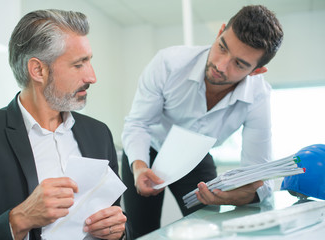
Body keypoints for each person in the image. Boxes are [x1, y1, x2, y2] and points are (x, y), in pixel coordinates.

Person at [0, 9, 130, 240]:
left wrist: (118, 231)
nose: (92, 77)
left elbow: (116, 215)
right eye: (78, 64)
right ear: (38, 70)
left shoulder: (99, 133)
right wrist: (20, 218)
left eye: (89, 61)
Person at [121, 5, 284, 238]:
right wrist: (138, 167)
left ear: (256, 71)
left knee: (209, 228)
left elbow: (256, 174)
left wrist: (233, 196)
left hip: (196, 156)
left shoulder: (259, 96)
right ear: (219, 32)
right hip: (147, 148)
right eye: (222, 48)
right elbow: (138, 124)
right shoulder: (168, 63)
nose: (220, 65)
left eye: (238, 64)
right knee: (141, 231)